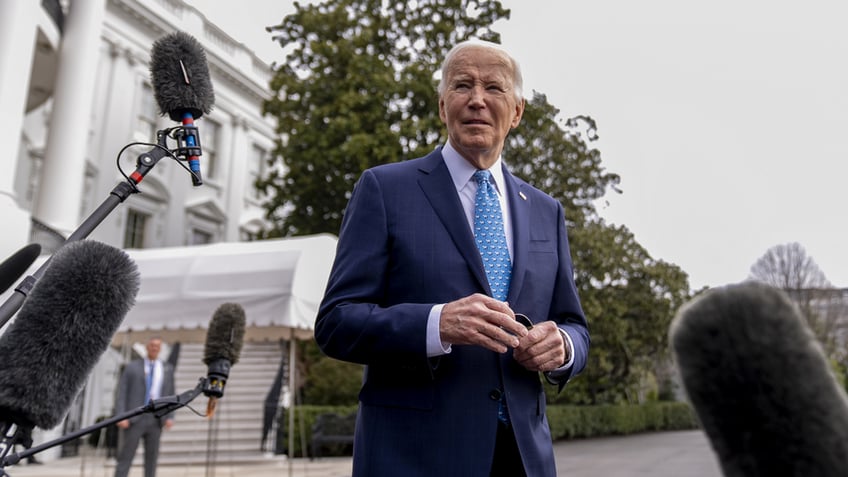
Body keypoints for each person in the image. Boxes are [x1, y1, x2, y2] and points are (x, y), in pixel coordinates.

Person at [315, 39, 590, 477]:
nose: (477, 100)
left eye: (494, 88)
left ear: (516, 112)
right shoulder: (385, 190)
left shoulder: (546, 210)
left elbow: (573, 323)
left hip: (523, 457)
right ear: (443, 106)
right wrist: (435, 323)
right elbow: (335, 322)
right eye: (462, 85)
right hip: (414, 456)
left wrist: (565, 348)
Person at [113, 337, 175, 477]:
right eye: (152, 345)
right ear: (147, 347)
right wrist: (121, 415)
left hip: (156, 419)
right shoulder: (132, 367)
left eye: (157, 346)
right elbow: (122, 392)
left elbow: (171, 393)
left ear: (160, 349)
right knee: (126, 456)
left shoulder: (167, 369)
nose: (154, 348)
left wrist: (170, 416)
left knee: (152, 459)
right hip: (134, 418)